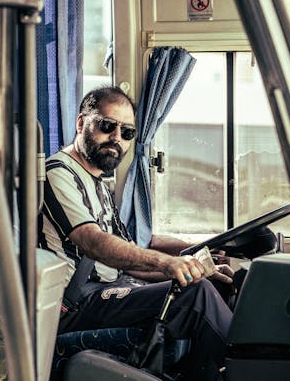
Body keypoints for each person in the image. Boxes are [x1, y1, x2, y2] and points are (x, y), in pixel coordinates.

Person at [39, 86, 233, 380]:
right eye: (107, 126)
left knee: (204, 285)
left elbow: (130, 258)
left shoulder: (99, 186)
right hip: (73, 306)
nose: (117, 138)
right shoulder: (57, 174)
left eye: (127, 132)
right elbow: (92, 241)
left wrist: (194, 270)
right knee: (196, 295)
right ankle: (252, 367)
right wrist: (168, 264)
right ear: (81, 123)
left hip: (105, 292)